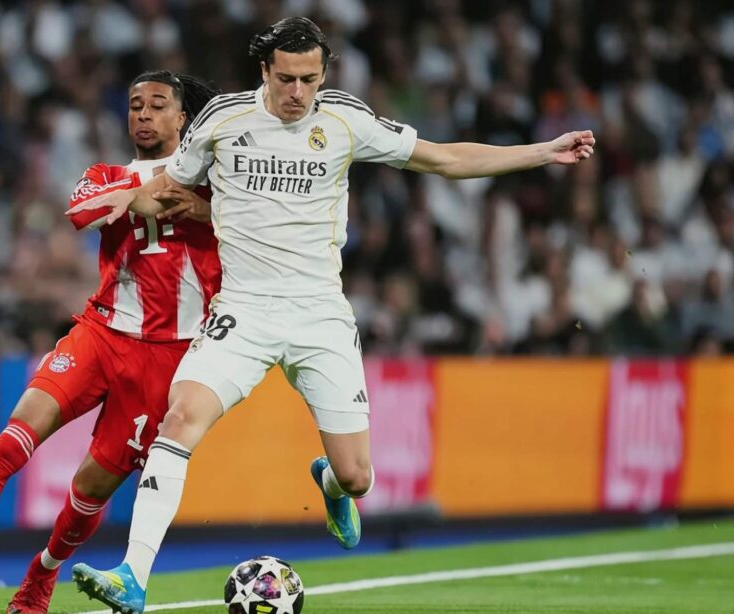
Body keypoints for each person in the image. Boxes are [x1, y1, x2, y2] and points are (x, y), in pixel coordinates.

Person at [67, 17, 596, 614]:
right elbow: (168, 187)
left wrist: (541, 152)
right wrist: (112, 198)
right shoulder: (221, 120)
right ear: (264, 71)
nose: (298, 93)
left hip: (320, 317)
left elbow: (443, 159)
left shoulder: (345, 118)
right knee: (179, 419)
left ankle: (330, 482)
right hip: (243, 310)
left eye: (310, 79)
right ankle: (132, 578)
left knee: (358, 477)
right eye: (287, 79)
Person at [0, 71, 222, 614]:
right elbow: (83, 211)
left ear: (183, 118)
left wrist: (197, 205)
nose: (144, 115)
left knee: (88, 493)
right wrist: (140, 194)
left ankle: (43, 573)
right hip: (100, 334)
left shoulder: (217, 181)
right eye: (134, 106)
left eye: (157, 105)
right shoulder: (104, 173)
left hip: (166, 359)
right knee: (12, 440)